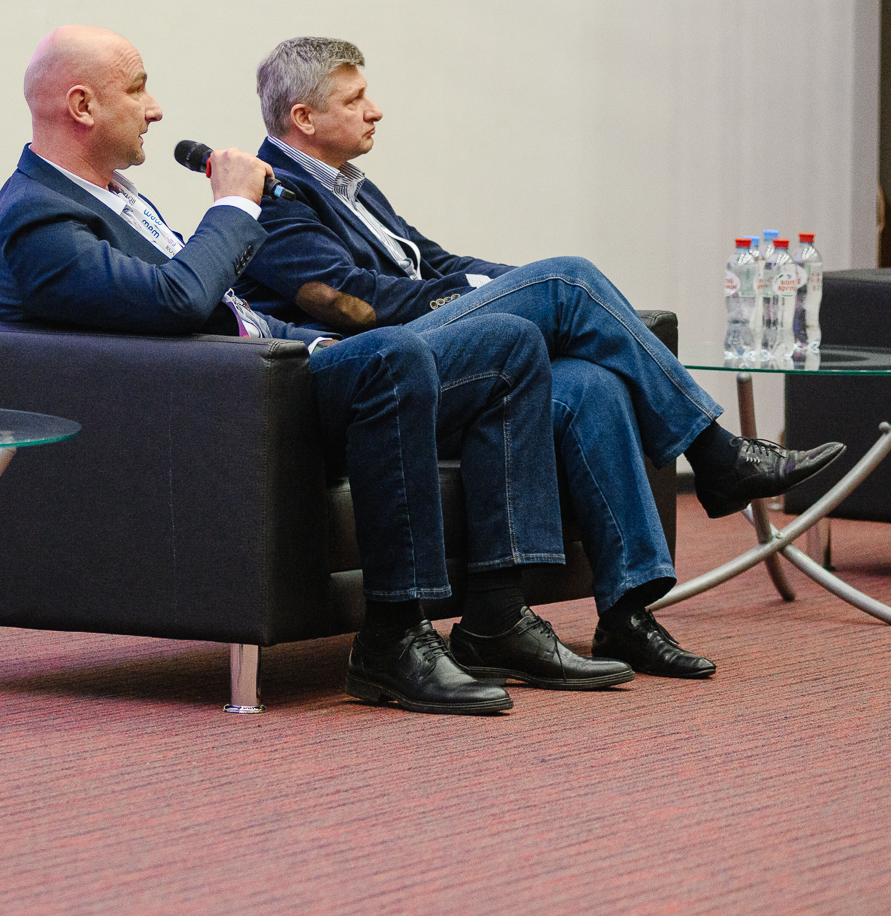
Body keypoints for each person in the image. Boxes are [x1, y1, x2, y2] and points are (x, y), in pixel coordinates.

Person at [0, 25, 635, 714]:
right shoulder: (40, 218)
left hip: (267, 372)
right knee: (392, 353)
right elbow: (177, 302)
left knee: (506, 344)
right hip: (219, 409)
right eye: (138, 89)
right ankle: (393, 638)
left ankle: (498, 615)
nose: (156, 109)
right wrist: (235, 205)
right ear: (82, 106)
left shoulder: (116, 196)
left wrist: (316, 343)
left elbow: (232, 316)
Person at [237, 36, 846, 680]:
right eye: (355, 99)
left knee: (589, 383)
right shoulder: (271, 200)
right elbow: (354, 302)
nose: (375, 110)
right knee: (566, 280)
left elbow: (436, 261)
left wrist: (515, 286)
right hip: (375, 380)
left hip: (439, 365)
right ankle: (717, 454)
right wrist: (518, 293)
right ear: (304, 118)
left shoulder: (352, 188)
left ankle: (626, 613)